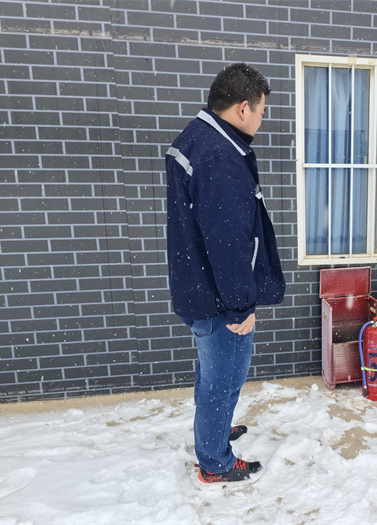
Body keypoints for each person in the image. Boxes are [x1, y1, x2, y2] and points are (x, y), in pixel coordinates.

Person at [165, 63, 285, 483]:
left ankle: (213, 429)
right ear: (242, 108)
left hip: (197, 288)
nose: (261, 121)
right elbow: (229, 240)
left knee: (211, 375)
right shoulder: (220, 157)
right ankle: (215, 462)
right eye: (262, 112)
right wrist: (241, 306)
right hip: (219, 299)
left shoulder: (197, 139)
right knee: (223, 381)